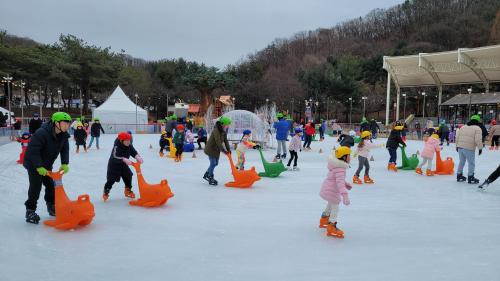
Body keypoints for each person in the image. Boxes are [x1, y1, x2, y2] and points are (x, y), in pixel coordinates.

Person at [22, 112, 71, 224]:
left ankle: (51, 206)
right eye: (64, 123)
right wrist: (38, 166)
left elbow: (65, 149)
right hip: (33, 163)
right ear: (56, 123)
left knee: (51, 185)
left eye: (68, 123)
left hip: (47, 164)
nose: (67, 126)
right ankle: (30, 211)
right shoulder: (41, 133)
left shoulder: (63, 135)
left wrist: (65, 163)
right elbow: (33, 152)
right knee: (35, 187)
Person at [318, 146, 352, 238]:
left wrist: (346, 184)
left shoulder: (336, 166)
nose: (350, 157)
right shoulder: (341, 169)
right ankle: (331, 226)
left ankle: (324, 220)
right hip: (332, 191)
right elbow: (339, 183)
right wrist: (345, 195)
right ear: (344, 157)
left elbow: (337, 179)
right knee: (335, 208)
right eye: (349, 155)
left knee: (330, 205)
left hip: (327, 189)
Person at [103, 132, 143, 201]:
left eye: (129, 140)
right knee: (111, 179)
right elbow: (114, 156)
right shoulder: (117, 146)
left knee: (128, 175)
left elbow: (133, 151)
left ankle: (128, 189)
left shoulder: (129, 145)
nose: (128, 142)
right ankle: (106, 190)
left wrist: (137, 156)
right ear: (121, 141)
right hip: (114, 165)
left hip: (124, 165)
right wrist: (123, 159)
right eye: (126, 141)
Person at [203, 116, 231, 186]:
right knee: (213, 163)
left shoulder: (223, 131)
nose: (228, 126)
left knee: (216, 163)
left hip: (216, 149)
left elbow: (225, 140)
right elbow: (218, 141)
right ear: (223, 124)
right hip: (211, 149)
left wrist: (228, 149)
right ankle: (210, 176)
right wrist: (224, 151)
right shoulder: (216, 130)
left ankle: (207, 173)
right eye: (227, 125)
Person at [455, 116, 483, 184]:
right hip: (469, 148)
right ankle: (471, 177)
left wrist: (457, 146)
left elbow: (457, 136)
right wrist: (480, 148)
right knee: (471, 163)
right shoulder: (477, 128)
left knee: (461, 161)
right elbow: (478, 140)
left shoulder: (463, 127)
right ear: (478, 121)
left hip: (460, 147)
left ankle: (459, 175)